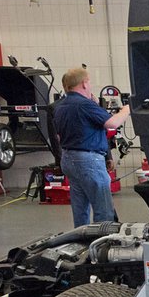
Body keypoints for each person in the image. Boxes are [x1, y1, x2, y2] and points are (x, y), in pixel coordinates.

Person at [53, 67, 130, 227]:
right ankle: (103, 244)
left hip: (68, 158)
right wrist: (126, 110)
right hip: (88, 161)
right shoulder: (84, 105)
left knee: (80, 208)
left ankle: (81, 241)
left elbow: (60, 136)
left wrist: (106, 155)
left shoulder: (60, 107)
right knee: (104, 210)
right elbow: (112, 123)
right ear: (84, 84)